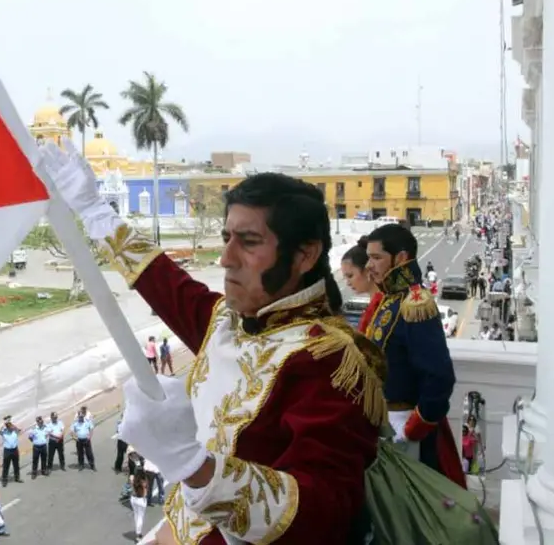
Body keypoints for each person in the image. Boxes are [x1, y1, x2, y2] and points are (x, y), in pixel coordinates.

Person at [43, 146, 386, 544]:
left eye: (249, 241)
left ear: (305, 254)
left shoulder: (330, 360)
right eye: (226, 237)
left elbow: (324, 511)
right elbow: (162, 280)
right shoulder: (226, 321)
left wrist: (192, 464)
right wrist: (93, 209)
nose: (225, 257)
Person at [364, 223, 466, 488]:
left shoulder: (415, 304)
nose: (369, 265)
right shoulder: (389, 299)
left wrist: (412, 428)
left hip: (401, 425)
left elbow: (439, 376)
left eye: (376, 258)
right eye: (369, 258)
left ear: (401, 258)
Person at [341, 236, 383, 332]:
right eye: (345, 277)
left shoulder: (380, 306)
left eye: (350, 276)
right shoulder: (376, 303)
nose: (348, 283)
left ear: (367, 270)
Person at [129, 467, 149, 542]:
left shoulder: (132, 478)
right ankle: (138, 534)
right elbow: (145, 493)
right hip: (141, 500)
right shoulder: (144, 481)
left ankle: (137, 530)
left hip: (133, 499)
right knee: (140, 517)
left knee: (136, 515)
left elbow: (130, 482)